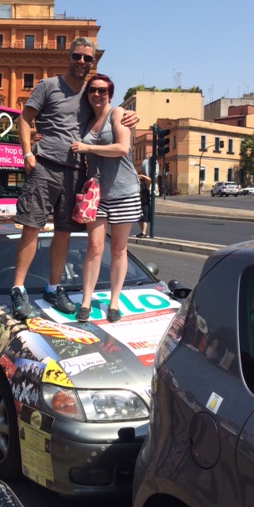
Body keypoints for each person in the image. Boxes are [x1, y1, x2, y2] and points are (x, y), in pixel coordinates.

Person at [10, 37, 139, 320]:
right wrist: (27, 154)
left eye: (87, 59)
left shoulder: (89, 94)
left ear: (93, 62)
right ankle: (18, 290)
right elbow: (24, 118)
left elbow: (109, 114)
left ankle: (53, 288)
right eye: (77, 56)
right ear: (68, 57)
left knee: (63, 232)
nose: (82, 62)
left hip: (75, 172)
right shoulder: (48, 86)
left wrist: (130, 115)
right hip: (44, 165)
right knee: (32, 226)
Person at [71, 74, 141, 323]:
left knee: (119, 249)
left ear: (109, 93)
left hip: (124, 191)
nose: (97, 94)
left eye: (102, 90)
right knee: (94, 247)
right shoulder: (87, 120)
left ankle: (113, 302)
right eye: (92, 90)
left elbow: (122, 148)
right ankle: (86, 302)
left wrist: (88, 148)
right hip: (95, 194)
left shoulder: (118, 113)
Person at [137, 173, 152, 238]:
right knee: (139, 219)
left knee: (144, 219)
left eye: (141, 180)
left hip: (145, 204)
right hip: (138, 204)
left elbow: (149, 180)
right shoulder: (137, 186)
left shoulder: (146, 185)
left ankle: (144, 232)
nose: (140, 181)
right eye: (139, 180)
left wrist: (142, 176)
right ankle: (142, 231)